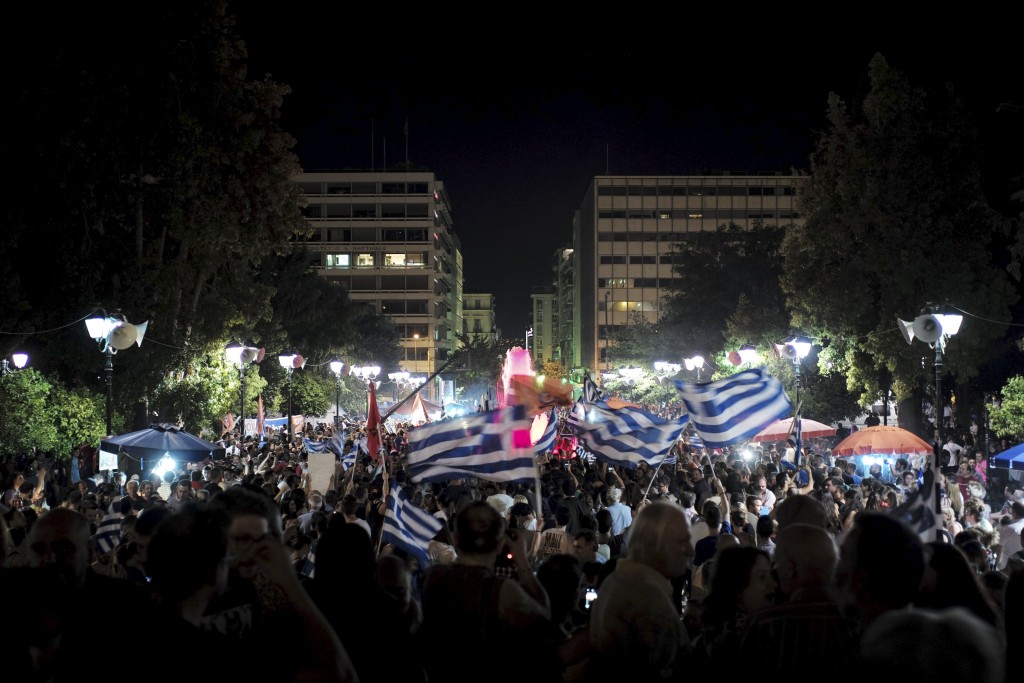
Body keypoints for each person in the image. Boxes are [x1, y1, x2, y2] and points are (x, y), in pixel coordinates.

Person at [420, 501, 551, 683]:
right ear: (499, 545)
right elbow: (544, 617)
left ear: (455, 539)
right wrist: (521, 560)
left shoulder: (433, 578)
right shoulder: (502, 590)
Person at [588, 502, 694, 682]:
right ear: (655, 544)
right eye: (682, 542)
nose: (690, 551)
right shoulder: (650, 602)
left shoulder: (620, 580)